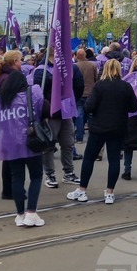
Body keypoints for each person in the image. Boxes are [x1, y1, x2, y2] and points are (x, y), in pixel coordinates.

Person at [66, 59, 137, 204]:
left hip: (99, 127)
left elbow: (89, 106)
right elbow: (134, 107)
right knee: (114, 160)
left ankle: (82, 190)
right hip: (118, 127)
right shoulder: (125, 86)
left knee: (89, 157)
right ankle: (110, 193)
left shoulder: (99, 86)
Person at [0, 50, 46, 226]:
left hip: (11, 142)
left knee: (17, 178)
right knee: (36, 176)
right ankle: (31, 212)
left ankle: (20, 214)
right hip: (31, 141)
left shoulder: (2, 102)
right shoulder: (33, 94)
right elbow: (46, 110)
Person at [34, 47, 84, 189]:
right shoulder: (41, 70)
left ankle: (68, 173)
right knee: (48, 144)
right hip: (51, 114)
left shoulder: (70, 68)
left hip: (66, 112)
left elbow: (79, 85)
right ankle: (50, 174)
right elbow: (37, 92)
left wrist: (71, 101)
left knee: (68, 143)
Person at [75, 47, 99, 145]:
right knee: (91, 115)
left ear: (77, 56)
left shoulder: (75, 66)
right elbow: (95, 78)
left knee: (79, 116)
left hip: (79, 94)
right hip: (90, 93)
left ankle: (79, 137)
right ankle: (92, 136)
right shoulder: (92, 65)